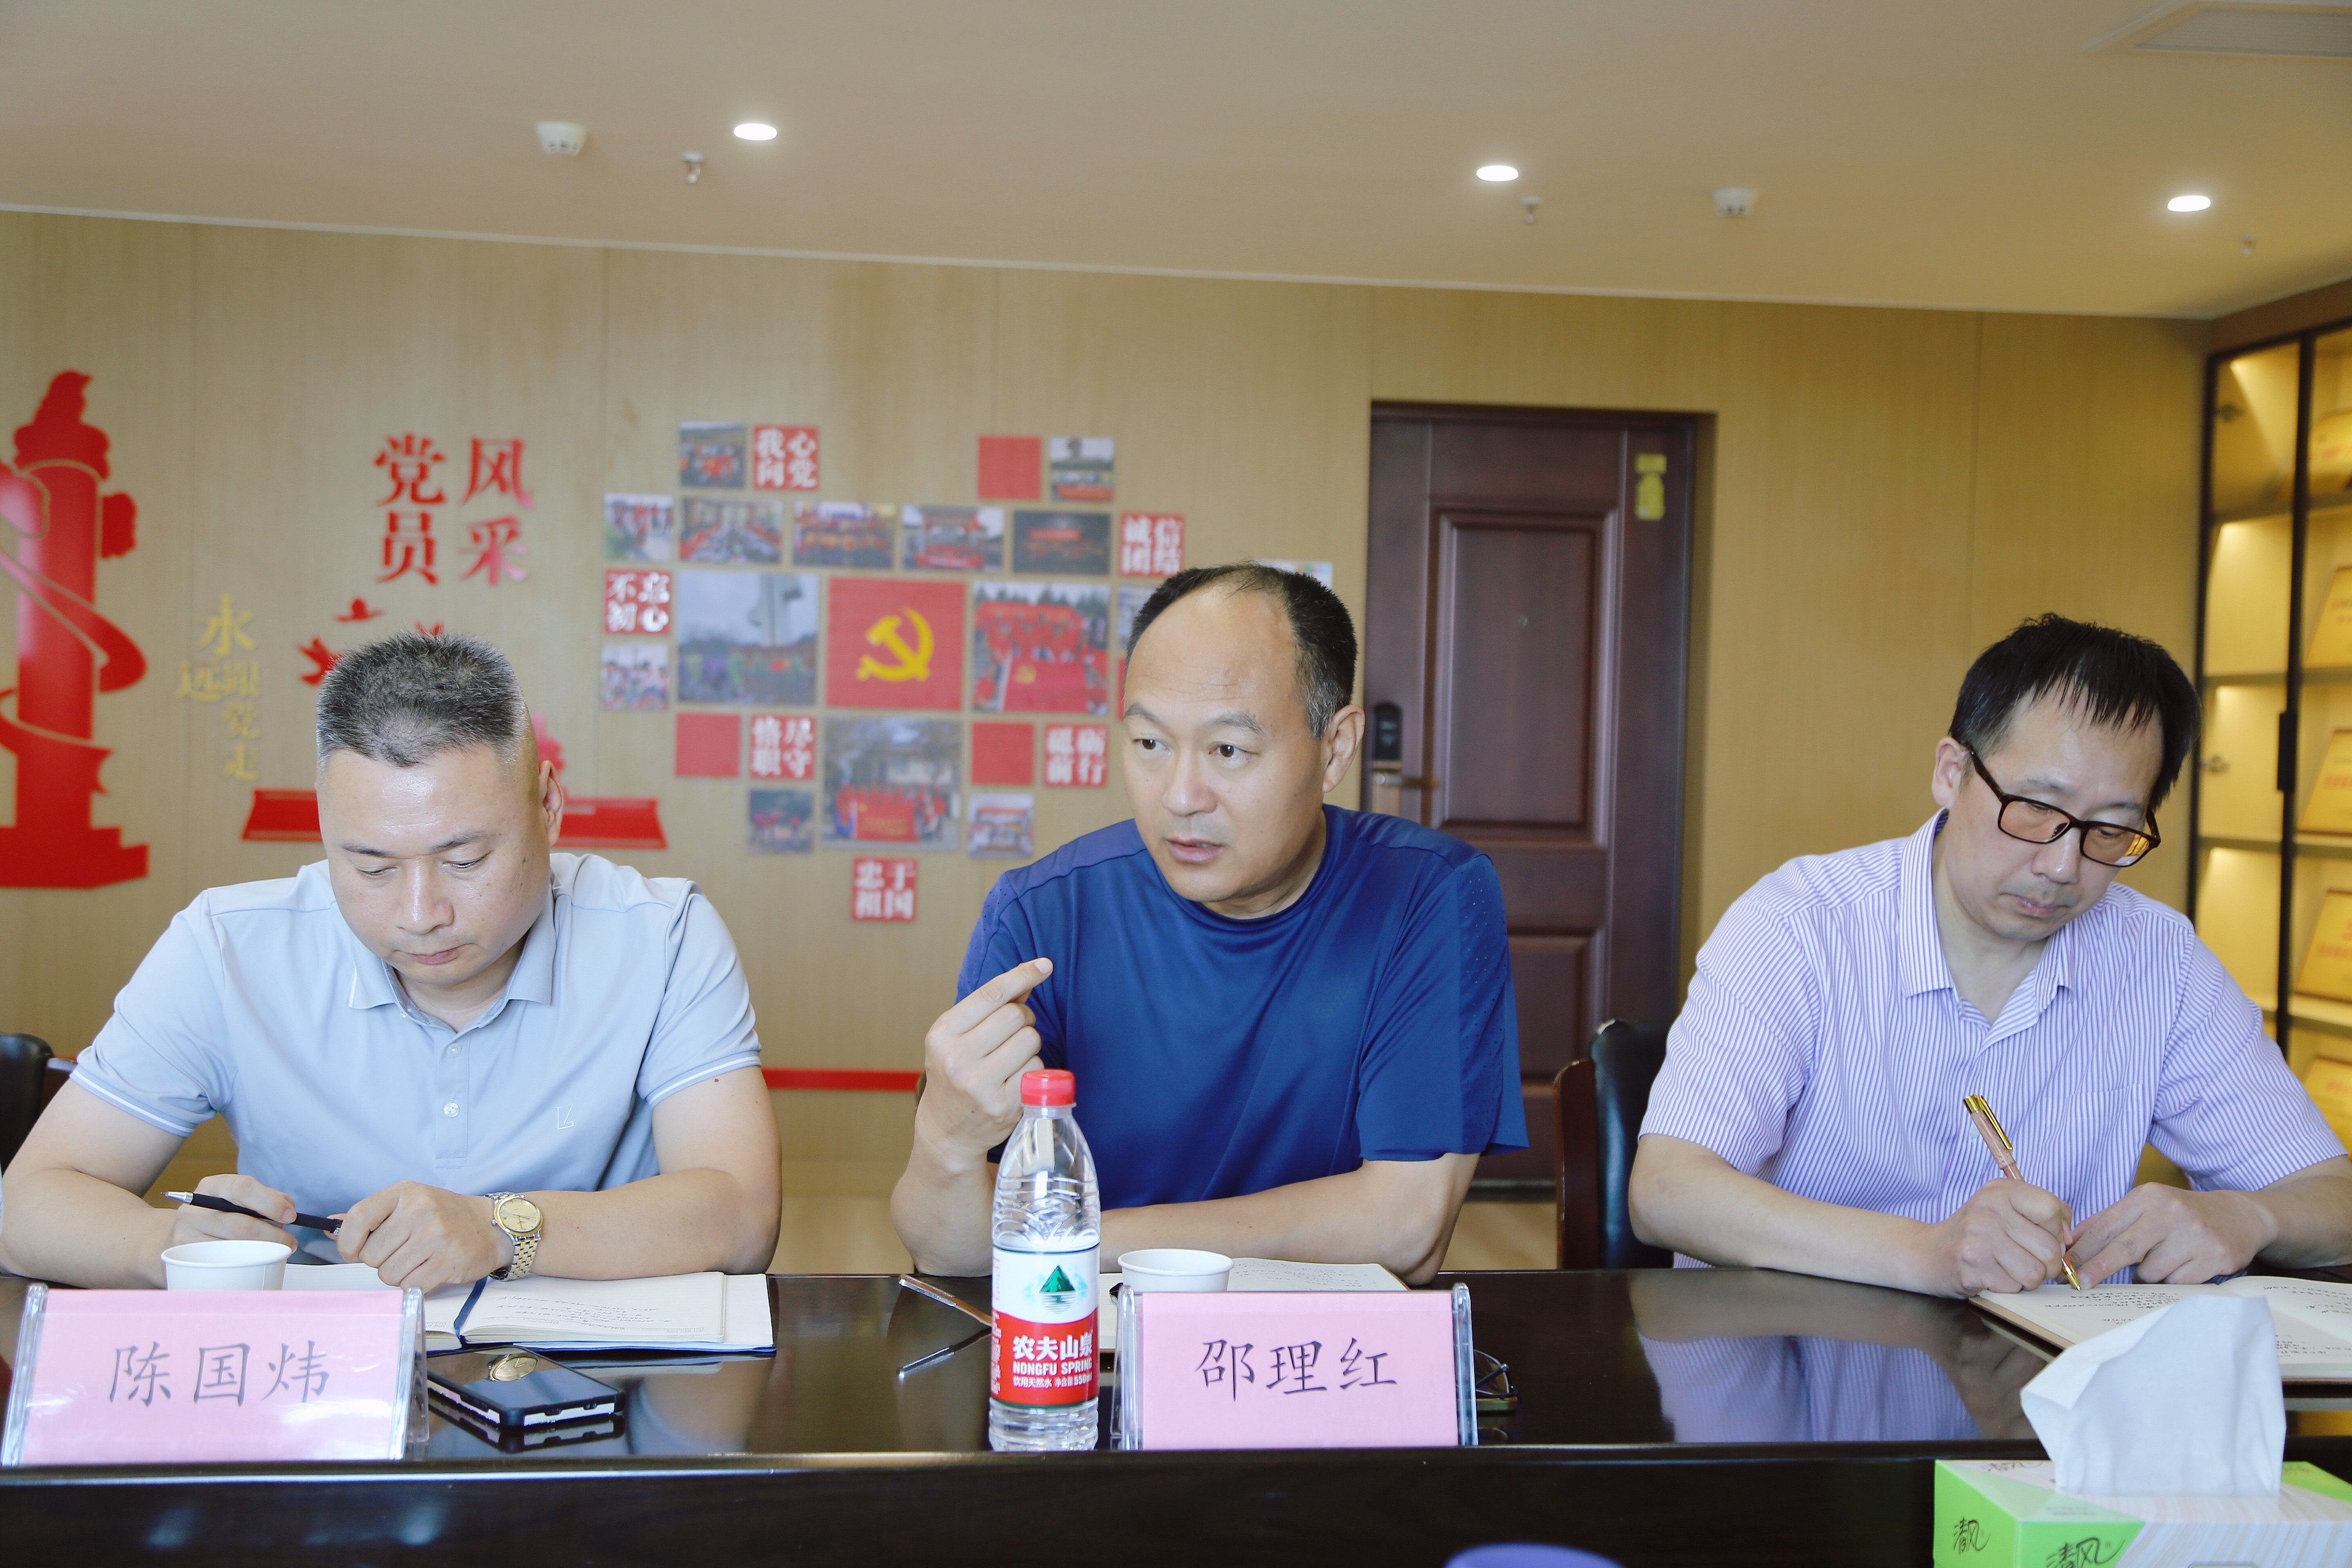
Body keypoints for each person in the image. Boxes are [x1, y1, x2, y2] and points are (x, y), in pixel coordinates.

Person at [0, 632, 780, 1290]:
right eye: (371, 867)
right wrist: (170, 1245)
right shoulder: (227, 949)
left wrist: (501, 1228)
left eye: (465, 860)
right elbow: (26, 1206)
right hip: (316, 1386)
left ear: (547, 806)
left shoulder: (661, 936)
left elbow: (743, 1218)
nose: (419, 913)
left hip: (590, 1392)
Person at [1630, 614, 2352, 1296]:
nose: (2063, 866)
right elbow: (1667, 1190)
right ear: (1952, 772)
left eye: (2109, 831)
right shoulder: (1801, 927)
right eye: (2035, 808)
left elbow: (2333, 1197)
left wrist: (2249, 1216)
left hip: (2044, 1377)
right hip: (1790, 1362)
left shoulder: (2161, 962)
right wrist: (1925, 1254)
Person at [891, 564, 1527, 1284]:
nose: (1181, 796)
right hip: (1093, 1339)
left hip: (1317, 1344)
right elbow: (948, 1250)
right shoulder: (1043, 913)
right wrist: (942, 1140)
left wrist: (1063, 1237)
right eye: (1150, 744)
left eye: (1228, 750)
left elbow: (1405, 1226)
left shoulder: (1426, 895)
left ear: (1336, 749)